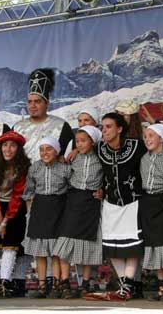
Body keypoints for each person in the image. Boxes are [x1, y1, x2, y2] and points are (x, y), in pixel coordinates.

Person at [96, 112, 147, 300]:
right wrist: (76, 151)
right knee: (112, 246)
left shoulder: (136, 146)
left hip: (132, 203)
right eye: (103, 127)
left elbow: (154, 149)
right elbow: (84, 148)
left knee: (132, 246)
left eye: (108, 126)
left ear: (119, 129)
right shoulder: (99, 148)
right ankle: (126, 284)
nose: (104, 130)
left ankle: (126, 285)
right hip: (110, 204)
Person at [54, 125, 104, 298]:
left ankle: (85, 283)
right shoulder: (73, 158)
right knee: (65, 241)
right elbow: (65, 176)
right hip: (74, 201)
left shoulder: (101, 158)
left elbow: (108, 177)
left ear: (93, 141)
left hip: (92, 203)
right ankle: (65, 281)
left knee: (88, 243)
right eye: (77, 141)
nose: (80, 144)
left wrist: (103, 190)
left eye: (84, 141)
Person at [0, 131, 30, 298]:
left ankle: (5, 281)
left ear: (19, 149)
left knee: (11, 243)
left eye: (13, 145)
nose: (8, 149)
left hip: (14, 207)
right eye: (5, 145)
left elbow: (18, 195)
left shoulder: (23, 166)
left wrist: (6, 221)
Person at [22, 136, 71, 298]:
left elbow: (71, 190)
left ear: (56, 151)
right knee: (40, 251)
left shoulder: (65, 168)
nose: (45, 153)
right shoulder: (34, 168)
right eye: (42, 149)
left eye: (48, 149)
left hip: (59, 209)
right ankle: (42, 285)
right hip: (39, 209)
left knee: (57, 250)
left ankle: (58, 284)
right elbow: (29, 191)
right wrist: (30, 213)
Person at [139, 124, 163, 301]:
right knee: (153, 245)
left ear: (161, 139)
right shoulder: (143, 159)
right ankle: (161, 286)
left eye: (151, 136)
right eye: (145, 136)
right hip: (148, 203)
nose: (147, 139)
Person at [13, 68, 74, 161]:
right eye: (29, 102)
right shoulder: (16, 127)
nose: (32, 105)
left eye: (37, 101)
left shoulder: (62, 126)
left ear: (47, 104)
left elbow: (72, 152)